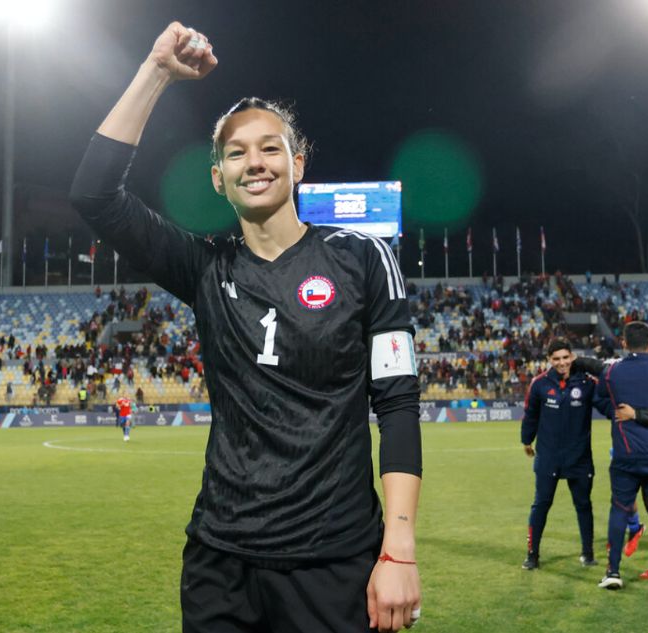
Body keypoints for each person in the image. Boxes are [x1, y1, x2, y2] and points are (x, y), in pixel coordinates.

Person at [70, 22, 422, 633]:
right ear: (218, 177)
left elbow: (397, 404)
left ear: (297, 163)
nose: (253, 162)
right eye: (235, 152)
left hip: (333, 562)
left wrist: (399, 550)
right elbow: (94, 195)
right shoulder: (205, 267)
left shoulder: (362, 258)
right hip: (220, 564)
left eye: (269, 147)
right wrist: (156, 72)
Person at [591, 322, 648, 590]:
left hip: (626, 457)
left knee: (619, 510)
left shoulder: (612, 373)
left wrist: (615, 411)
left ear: (624, 344)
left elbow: (598, 397)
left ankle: (613, 571)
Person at [521, 338, 597, 571]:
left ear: (572, 356)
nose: (562, 362)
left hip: (579, 457)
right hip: (548, 457)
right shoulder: (540, 384)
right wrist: (526, 439)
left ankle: (588, 553)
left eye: (566, 357)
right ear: (549, 360)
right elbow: (531, 415)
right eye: (556, 359)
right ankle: (532, 554)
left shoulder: (587, 382)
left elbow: (606, 403)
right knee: (541, 504)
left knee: (583, 505)